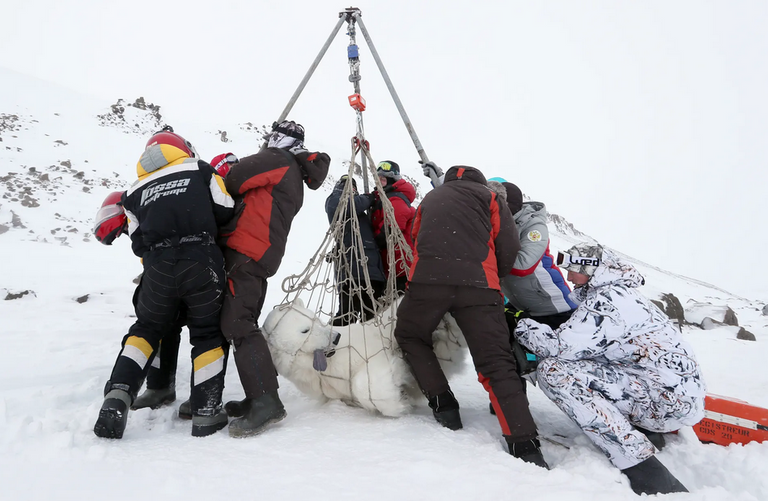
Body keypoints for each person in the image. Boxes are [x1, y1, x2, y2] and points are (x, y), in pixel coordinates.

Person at [515, 243, 706, 494]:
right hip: (667, 395)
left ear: (594, 269)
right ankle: (643, 431)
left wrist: (522, 325)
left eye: (573, 268)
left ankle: (640, 465)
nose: (569, 276)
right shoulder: (619, 293)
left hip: (663, 403)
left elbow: (559, 348)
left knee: (554, 371)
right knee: (579, 364)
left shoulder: (608, 300)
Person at [393, 165, 548, 468]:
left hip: (428, 283)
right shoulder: (491, 199)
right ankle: (525, 445)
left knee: (411, 335)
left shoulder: (431, 198)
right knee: (496, 362)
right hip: (479, 286)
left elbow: (415, 237)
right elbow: (509, 244)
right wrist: (492, 276)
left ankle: (443, 405)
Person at [93, 126, 235, 439]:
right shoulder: (199, 169)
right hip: (201, 261)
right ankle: (206, 412)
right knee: (208, 333)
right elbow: (225, 209)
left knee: (146, 330)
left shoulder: (134, 191)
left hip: (157, 269)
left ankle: (118, 395)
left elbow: (137, 240)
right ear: (182, 147)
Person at [218, 120, 330, 438]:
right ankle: (258, 396)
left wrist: (259, 154)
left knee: (238, 324)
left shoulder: (278, 159)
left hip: (245, 249)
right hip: (261, 252)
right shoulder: (293, 169)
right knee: (243, 321)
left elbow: (234, 178)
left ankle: (266, 401)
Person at [325, 175, 386, 325]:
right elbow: (345, 207)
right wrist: (369, 197)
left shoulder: (359, 211)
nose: (351, 189)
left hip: (371, 271)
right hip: (352, 271)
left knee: (372, 319)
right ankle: (333, 344)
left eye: (353, 186)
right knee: (347, 316)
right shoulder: (335, 200)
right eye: (347, 185)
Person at [370, 160, 416, 293]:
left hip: (401, 265)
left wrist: (372, 241)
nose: (379, 182)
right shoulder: (384, 199)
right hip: (393, 266)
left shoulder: (395, 199)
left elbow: (392, 228)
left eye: (383, 180)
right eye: (378, 179)